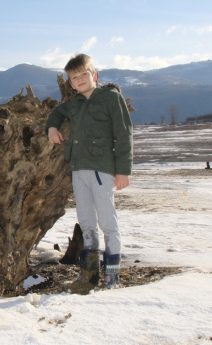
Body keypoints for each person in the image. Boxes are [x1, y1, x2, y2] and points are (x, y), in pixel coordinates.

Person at [46, 53, 133, 289]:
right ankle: (89, 274)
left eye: (83, 74)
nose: (79, 80)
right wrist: (52, 128)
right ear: (70, 83)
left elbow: (124, 134)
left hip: (101, 170)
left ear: (94, 75)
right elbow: (57, 112)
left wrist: (123, 171)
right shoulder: (76, 104)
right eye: (74, 78)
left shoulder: (110, 98)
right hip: (78, 170)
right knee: (86, 223)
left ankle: (111, 276)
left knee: (107, 223)